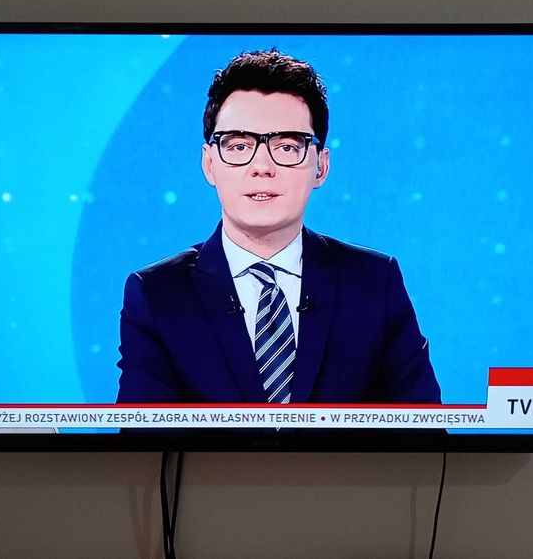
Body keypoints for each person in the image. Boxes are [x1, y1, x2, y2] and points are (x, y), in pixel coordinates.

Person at [116, 48, 440, 405]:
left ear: (321, 166)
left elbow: (422, 426)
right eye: (239, 146)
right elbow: (144, 435)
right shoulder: (158, 294)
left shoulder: (374, 283)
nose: (262, 167)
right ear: (209, 164)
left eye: (286, 147)